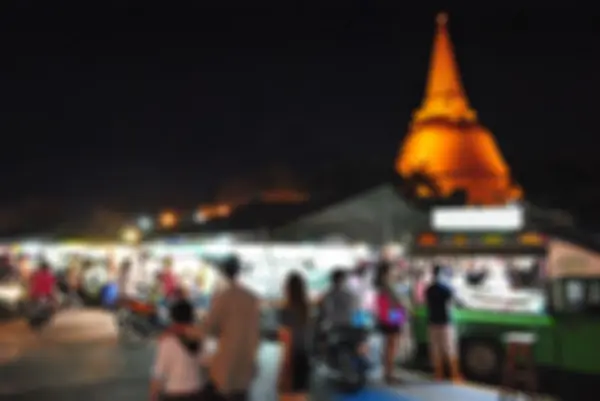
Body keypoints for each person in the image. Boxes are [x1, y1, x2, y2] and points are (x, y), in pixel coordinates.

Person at [191, 255, 260, 401]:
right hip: (247, 361)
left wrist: (187, 330)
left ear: (223, 272)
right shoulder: (252, 297)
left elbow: (209, 328)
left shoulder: (223, 297)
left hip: (227, 362)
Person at [150, 299, 206, 401]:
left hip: (174, 394)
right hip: (197, 393)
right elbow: (206, 363)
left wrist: (153, 396)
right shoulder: (199, 339)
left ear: (173, 318)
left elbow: (158, 374)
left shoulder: (167, 341)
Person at [425, 265, 462, 382]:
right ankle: (454, 375)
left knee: (435, 349)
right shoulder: (446, 289)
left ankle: (438, 375)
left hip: (432, 322)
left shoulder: (429, 289)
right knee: (450, 348)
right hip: (445, 322)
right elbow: (456, 302)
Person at [277, 273, 311, 401]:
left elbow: (287, 339)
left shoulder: (286, 310)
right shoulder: (306, 309)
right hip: (304, 356)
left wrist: (284, 367)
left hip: (291, 357)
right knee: (301, 395)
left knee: (287, 395)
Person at [374, 261, 408, 384]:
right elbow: (398, 300)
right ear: (388, 271)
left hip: (385, 315)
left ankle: (387, 372)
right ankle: (389, 373)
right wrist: (405, 307)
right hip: (393, 315)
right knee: (392, 345)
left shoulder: (380, 283)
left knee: (388, 345)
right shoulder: (388, 283)